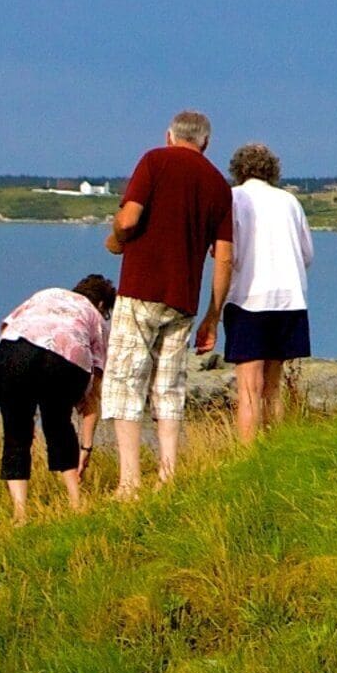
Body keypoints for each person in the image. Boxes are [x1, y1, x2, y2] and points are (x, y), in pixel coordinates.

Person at [102, 110, 232, 497]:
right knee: (169, 386)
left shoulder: (154, 160)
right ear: (206, 143)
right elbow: (224, 257)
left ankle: (129, 482)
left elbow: (128, 221)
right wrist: (213, 316)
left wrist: (116, 238)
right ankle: (168, 474)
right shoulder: (218, 184)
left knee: (126, 382)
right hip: (183, 299)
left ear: (170, 135)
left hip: (141, 289)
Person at [0, 274, 113, 521]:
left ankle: (20, 514)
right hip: (64, 357)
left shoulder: (47, 293)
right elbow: (93, 392)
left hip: (12, 351)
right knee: (58, 425)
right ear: (102, 305)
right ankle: (75, 502)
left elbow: (5, 327)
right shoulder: (96, 318)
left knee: (16, 431)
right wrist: (86, 447)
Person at [220, 143, 315, 443]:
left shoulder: (234, 199)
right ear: (272, 170)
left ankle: (248, 454)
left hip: (249, 298)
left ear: (238, 170)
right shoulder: (289, 201)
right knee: (273, 386)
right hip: (289, 299)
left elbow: (226, 252)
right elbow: (307, 253)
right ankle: (276, 447)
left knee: (249, 388)